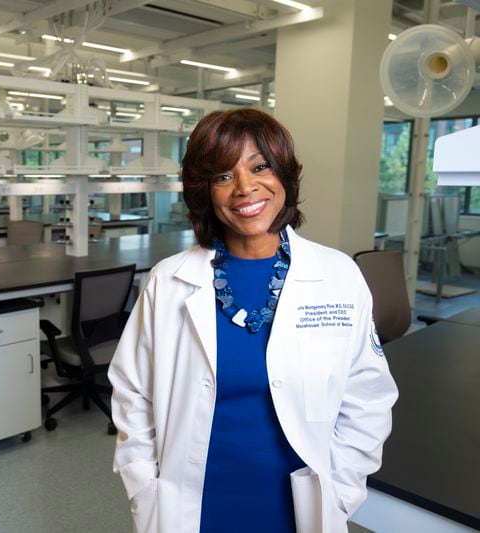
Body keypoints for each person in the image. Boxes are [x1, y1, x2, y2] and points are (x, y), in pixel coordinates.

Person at [108, 108, 398, 533]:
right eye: (223, 176)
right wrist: (143, 485)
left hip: (301, 505)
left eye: (259, 166)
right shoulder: (168, 281)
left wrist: (342, 488)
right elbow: (132, 392)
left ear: (284, 175)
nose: (245, 188)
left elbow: (367, 397)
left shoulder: (337, 275)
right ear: (205, 191)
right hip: (192, 505)